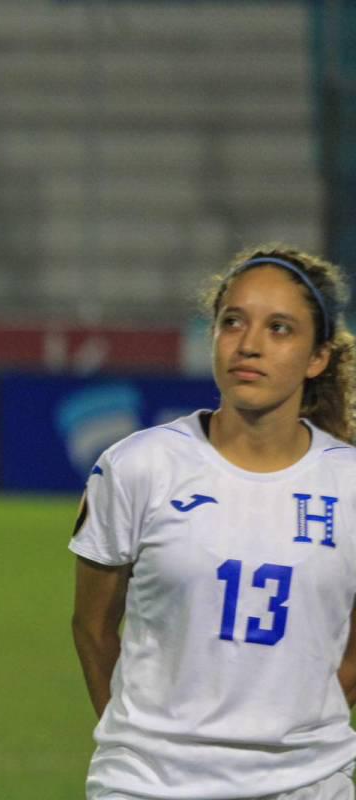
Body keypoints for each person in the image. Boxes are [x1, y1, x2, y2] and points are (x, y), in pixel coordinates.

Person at [70, 246, 356, 800]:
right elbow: (93, 628)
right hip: (147, 785)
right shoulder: (138, 466)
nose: (249, 344)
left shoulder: (348, 483)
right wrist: (147, 745)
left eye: (280, 329)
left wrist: (297, 729)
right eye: (232, 322)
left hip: (307, 785)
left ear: (318, 357)